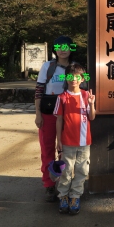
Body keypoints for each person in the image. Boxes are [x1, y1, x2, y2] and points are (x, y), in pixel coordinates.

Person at [34, 35, 75, 202]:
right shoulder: (47, 67)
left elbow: (84, 87)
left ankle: (65, 182)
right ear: (55, 49)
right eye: (59, 46)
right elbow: (39, 90)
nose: (63, 49)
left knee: (67, 150)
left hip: (69, 113)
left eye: (66, 46)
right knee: (47, 148)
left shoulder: (76, 68)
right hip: (48, 112)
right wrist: (37, 114)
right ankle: (49, 184)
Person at [55, 63, 96, 215]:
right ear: (66, 78)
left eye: (77, 77)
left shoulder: (86, 95)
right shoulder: (62, 97)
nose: (73, 79)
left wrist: (92, 105)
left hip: (85, 141)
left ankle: (75, 196)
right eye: (70, 76)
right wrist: (58, 140)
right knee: (66, 171)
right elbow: (59, 120)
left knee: (81, 170)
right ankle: (63, 196)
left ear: (82, 78)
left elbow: (92, 117)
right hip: (67, 141)